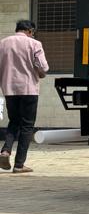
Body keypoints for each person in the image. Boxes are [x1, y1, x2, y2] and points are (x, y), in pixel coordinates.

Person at [0, 20, 49, 174]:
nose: (33, 35)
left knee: (14, 122)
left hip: (9, 89)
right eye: (32, 32)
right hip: (29, 89)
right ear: (29, 30)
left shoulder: (3, 43)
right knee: (27, 126)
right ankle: (19, 165)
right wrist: (40, 72)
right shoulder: (34, 44)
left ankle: (5, 151)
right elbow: (43, 66)